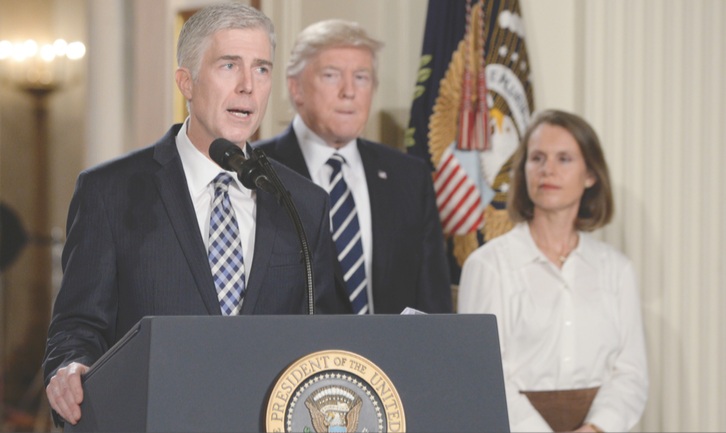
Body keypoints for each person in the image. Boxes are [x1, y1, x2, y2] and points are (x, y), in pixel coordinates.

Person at [43, 3, 350, 427]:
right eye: (229, 65)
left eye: (261, 69)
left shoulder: (303, 202)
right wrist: (72, 367)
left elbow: (329, 336)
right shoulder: (109, 192)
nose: (248, 86)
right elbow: (77, 326)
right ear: (186, 81)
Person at [457, 110, 648, 432]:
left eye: (564, 159)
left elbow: (631, 373)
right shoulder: (489, 266)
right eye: (537, 158)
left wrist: (597, 428)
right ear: (523, 171)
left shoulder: (616, 269)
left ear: (590, 175)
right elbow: (481, 374)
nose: (548, 170)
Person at [255, 20, 452, 315]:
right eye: (332, 75)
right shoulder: (255, 170)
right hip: (296, 358)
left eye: (361, 77)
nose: (349, 91)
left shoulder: (409, 176)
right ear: (296, 88)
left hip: (391, 358)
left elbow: (433, 301)